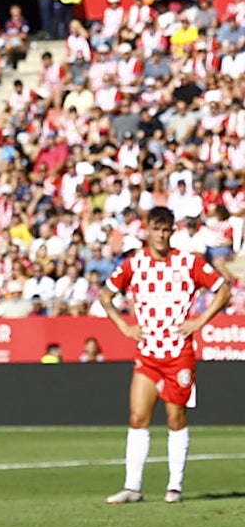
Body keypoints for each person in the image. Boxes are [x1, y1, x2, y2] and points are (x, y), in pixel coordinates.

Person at [100, 206, 230, 505]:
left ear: (172, 231)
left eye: (165, 229)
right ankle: (132, 487)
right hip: (148, 353)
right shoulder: (134, 264)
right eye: (156, 229)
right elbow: (106, 296)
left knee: (175, 418)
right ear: (147, 231)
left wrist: (199, 321)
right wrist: (124, 326)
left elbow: (223, 290)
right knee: (137, 417)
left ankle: (175, 486)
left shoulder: (188, 262)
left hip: (178, 353)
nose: (160, 235)